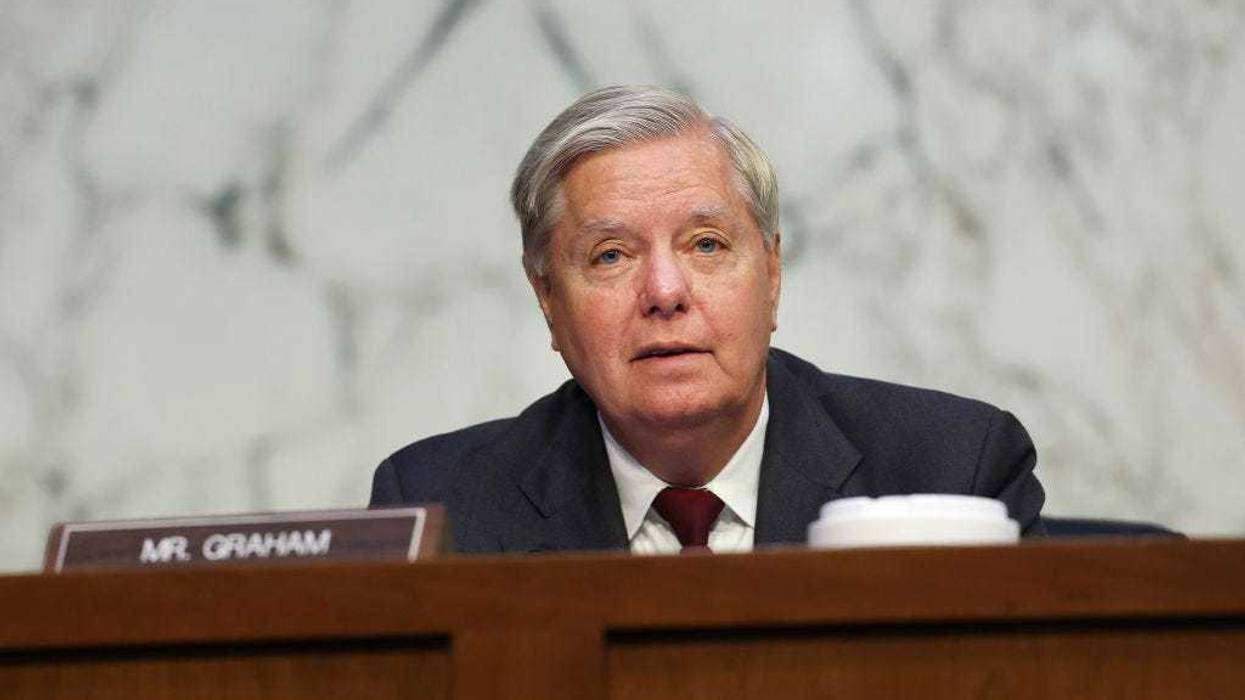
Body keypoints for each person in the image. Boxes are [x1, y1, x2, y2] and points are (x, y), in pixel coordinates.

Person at [370, 85, 1045, 554]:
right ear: (547, 299)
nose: (664, 292)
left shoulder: (954, 469)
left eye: (706, 245)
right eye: (611, 255)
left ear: (772, 274)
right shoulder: (441, 510)